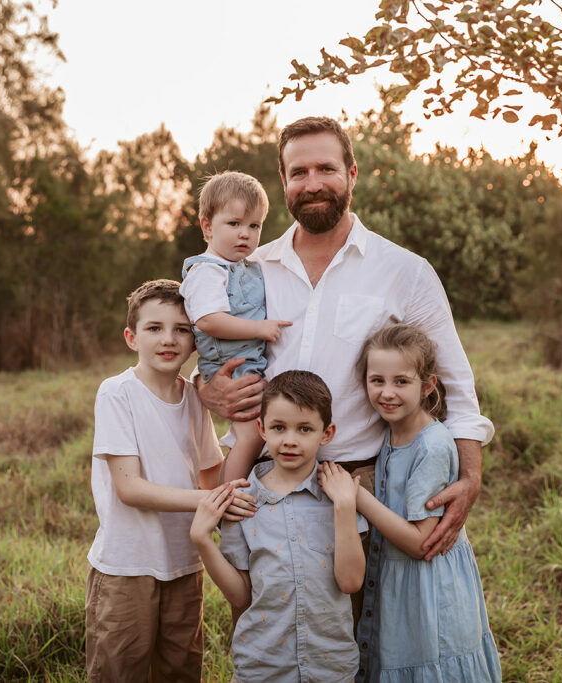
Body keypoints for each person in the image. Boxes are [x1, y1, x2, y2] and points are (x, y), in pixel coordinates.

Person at [199, 116, 494, 560]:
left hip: (363, 486)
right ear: (283, 180)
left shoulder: (404, 271)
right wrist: (209, 391)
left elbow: (455, 384)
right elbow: (209, 354)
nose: (312, 183)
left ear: (351, 174)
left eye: (326, 169)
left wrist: (469, 477)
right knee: (263, 621)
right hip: (264, 485)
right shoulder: (249, 269)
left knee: (356, 624)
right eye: (298, 173)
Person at [85, 278, 254, 683]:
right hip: (127, 567)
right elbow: (130, 489)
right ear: (132, 337)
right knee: (119, 671)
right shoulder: (117, 393)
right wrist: (212, 501)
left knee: (180, 670)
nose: (169, 339)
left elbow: (210, 473)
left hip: (183, 564)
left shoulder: (195, 399)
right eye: (154, 328)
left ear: (196, 341)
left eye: (182, 329)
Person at [321, 323, 501, 682]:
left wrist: (355, 495)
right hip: (400, 584)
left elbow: (421, 543)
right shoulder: (390, 434)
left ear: (427, 384)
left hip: (429, 588)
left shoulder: (431, 445)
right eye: (377, 381)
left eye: (401, 382)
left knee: (431, 665)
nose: (387, 393)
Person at [190, 370, 368, 682]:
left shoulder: (338, 494)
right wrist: (202, 540)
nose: (290, 440)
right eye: (278, 427)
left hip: (330, 667)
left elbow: (351, 582)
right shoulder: (243, 502)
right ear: (262, 428)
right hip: (263, 665)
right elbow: (241, 597)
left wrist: (344, 506)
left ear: (326, 433)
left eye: (304, 429)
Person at [180, 171, 292, 483]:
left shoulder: (249, 267)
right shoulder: (207, 271)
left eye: (254, 225)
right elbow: (208, 320)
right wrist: (259, 329)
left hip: (249, 363)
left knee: (260, 433)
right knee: (250, 436)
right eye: (234, 224)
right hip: (230, 366)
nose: (245, 234)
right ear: (207, 227)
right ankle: (226, 498)